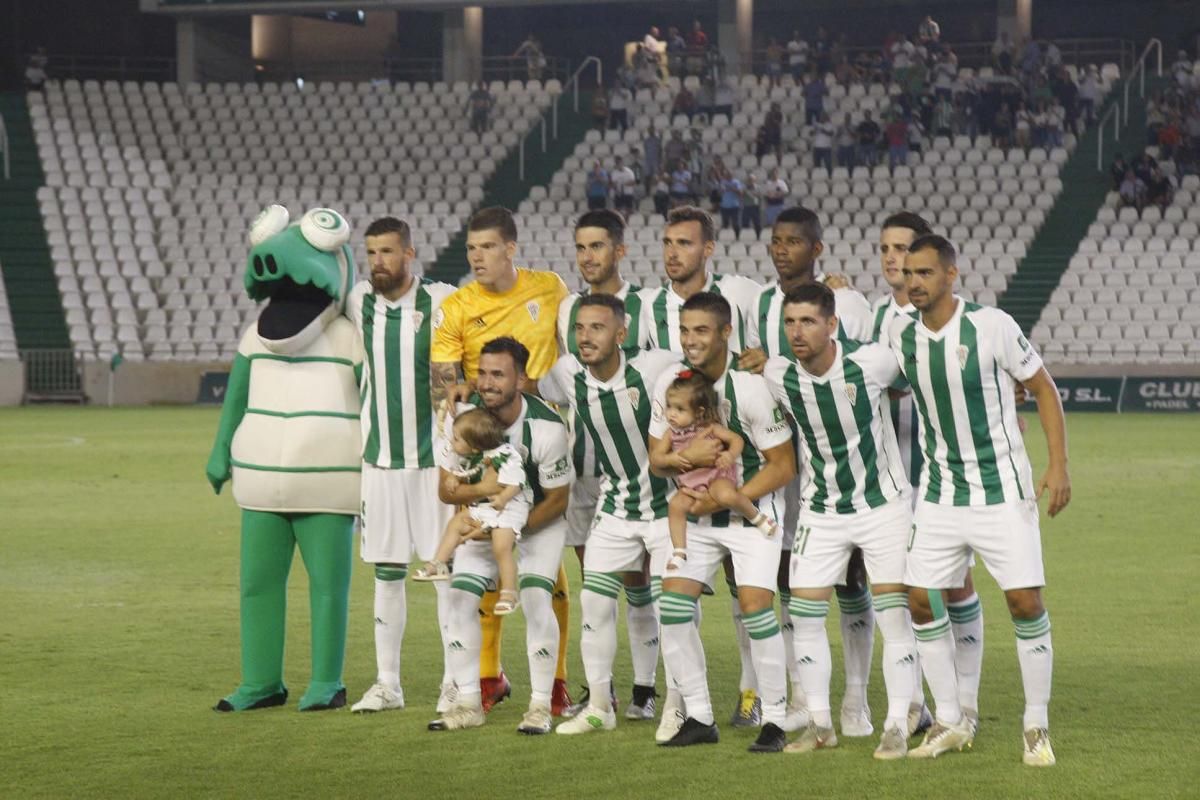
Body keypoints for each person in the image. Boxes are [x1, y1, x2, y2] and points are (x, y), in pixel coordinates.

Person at [888, 234, 1070, 766]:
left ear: (951, 274)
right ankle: (950, 719)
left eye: (925, 272)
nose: (914, 281)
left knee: (1025, 603)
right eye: (908, 273)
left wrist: (1057, 465)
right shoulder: (903, 336)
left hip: (1001, 492)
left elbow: (1043, 389)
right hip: (940, 494)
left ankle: (1035, 726)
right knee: (920, 600)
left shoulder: (992, 326)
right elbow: (885, 381)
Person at [761, 282, 919, 759]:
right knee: (804, 614)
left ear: (833, 325)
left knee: (894, 615)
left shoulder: (871, 362)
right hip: (822, 510)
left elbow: (916, 378)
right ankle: (820, 725)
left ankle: (896, 723)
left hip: (883, 506)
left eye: (808, 321)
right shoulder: (778, 373)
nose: (797, 331)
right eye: (790, 322)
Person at [431, 206, 572, 716]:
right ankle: (486, 677)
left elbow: (575, 346)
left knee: (548, 573)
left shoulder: (550, 288)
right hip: (484, 441)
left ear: (511, 248)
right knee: (482, 557)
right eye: (471, 249)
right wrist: (457, 392)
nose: (476, 257)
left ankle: (555, 683)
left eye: (487, 247)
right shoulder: (457, 305)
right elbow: (443, 388)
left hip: (547, 435)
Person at [743, 206, 878, 738]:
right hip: (783, 465)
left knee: (855, 583)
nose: (781, 250)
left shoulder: (846, 302)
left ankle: (857, 701)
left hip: (844, 468)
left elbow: (866, 373)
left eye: (794, 242)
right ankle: (804, 696)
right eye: (776, 241)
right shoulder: (758, 302)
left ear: (816, 249)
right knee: (793, 584)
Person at [647, 292, 798, 752]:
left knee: (756, 611)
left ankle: (774, 718)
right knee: (671, 609)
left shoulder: (750, 388)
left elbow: (782, 465)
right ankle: (698, 715)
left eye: (701, 330)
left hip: (751, 517)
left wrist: (723, 500)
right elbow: (657, 460)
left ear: (726, 333)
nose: (691, 340)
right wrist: (682, 458)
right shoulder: (672, 384)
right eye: (685, 329)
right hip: (697, 517)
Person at [539, 294, 684, 736]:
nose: (586, 337)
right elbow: (529, 389)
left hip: (666, 509)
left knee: (674, 610)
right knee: (596, 603)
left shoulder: (657, 367)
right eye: (580, 329)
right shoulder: (566, 373)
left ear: (621, 334)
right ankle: (601, 706)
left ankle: (678, 707)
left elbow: (710, 370)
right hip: (616, 505)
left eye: (597, 328)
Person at [871, 212, 978, 737]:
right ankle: (916, 703)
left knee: (953, 587)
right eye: (887, 249)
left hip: (940, 474)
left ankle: (964, 699)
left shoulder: (956, 321)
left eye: (905, 250)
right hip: (888, 479)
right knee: (904, 592)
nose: (895, 260)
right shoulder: (869, 315)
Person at [346, 217, 458, 715]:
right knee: (387, 574)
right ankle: (388, 684)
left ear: (410, 253)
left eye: (388, 252)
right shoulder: (357, 301)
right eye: (371, 253)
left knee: (444, 574)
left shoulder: (442, 301)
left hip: (436, 463)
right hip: (381, 462)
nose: (378, 263)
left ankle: (456, 681)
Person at [555, 211, 660, 720]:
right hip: (586, 473)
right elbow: (550, 384)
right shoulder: (566, 312)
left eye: (597, 246)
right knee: (595, 581)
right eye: (580, 247)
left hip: (644, 472)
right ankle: (604, 694)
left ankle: (648, 690)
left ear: (619, 250)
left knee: (642, 582)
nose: (587, 256)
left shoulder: (649, 306)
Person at [654, 370, 779, 572]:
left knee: (727, 495)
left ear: (699, 412)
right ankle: (679, 550)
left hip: (715, 477)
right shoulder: (670, 434)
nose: (671, 414)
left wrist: (729, 455)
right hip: (690, 484)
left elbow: (736, 440)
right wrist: (672, 458)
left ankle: (757, 517)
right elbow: (656, 458)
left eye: (679, 409)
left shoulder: (710, 428)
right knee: (675, 505)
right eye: (669, 407)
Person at [415, 408, 528, 619]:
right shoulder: (470, 457)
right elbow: (468, 474)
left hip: (509, 509)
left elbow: (517, 482)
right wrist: (454, 479)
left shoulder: (505, 455)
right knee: (456, 523)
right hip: (484, 508)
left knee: (501, 547)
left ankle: (510, 593)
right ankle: (438, 563)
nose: (452, 441)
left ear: (474, 445)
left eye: (457, 439)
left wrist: (502, 498)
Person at [644, 206, 762, 353]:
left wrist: (765, 355)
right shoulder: (649, 306)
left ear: (708, 249)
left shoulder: (740, 291)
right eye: (668, 243)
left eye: (683, 243)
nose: (671, 253)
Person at [718, 169, 743, 233]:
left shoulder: (736, 182)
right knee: (725, 223)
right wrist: (722, 190)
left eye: (730, 174)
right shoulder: (722, 182)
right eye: (727, 174)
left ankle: (737, 237)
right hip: (724, 206)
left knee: (735, 223)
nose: (728, 176)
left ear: (732, 175)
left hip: (734, 206)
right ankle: (725, 237)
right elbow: (720, 192)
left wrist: (732, 188)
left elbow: (740, 192)